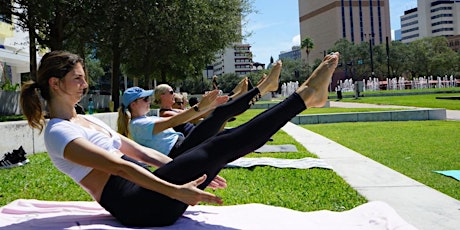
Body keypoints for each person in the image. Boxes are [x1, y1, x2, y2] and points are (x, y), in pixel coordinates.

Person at [20, 50, 339, 227]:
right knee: (218, 144)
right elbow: (121, 169)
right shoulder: (58, 132)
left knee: (214, 146)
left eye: (84, 79)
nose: (84, 85)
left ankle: (305, 97)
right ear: (55, 83)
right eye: (77, 79)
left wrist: (185, 166)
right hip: (138, 208)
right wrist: (176, 189)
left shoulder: (83, 120)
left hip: (149, 191)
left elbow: (140, 154)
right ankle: (305, 97)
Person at [117, 61, 282, 158]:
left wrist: (207, 106)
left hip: (184, 144)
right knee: (222, 114)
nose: (148, 101)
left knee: (225, 117)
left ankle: (264, 87)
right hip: (181, 149)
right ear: (133, 104)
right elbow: (176, 120)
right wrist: (202, 107)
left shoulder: (143, 121)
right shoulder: (138, 125)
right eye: (145, 99)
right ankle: (265, 87)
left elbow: (182, 119)